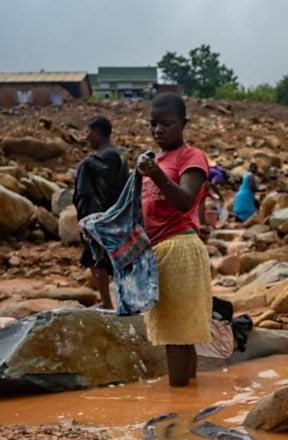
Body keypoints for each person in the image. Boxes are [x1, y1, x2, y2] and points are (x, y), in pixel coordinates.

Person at [136, 93, 212, 387]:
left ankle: (179, 409)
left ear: (183, 124)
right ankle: (188, 399)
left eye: (166, 124)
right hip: (158, 249)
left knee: (176, 334)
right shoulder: (156, 160)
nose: (158, 130)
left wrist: (155, 174)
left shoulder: (190, 156)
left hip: (179, 246)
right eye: (153, 124)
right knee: (180, 333)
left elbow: (185, 201)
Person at [74, 115, 128, 310]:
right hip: (116, 215)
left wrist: (89, 218)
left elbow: (98, 189)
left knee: (96, 258)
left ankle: (107, 302)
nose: (86, 137)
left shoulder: (105, 157)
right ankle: (115, 301)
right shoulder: (117, 154)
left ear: (96, 132)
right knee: (110, 258)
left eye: (88, 132)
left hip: (103, 216)